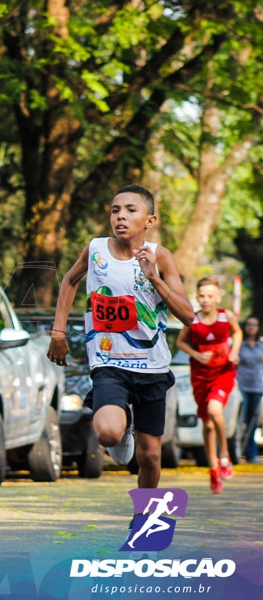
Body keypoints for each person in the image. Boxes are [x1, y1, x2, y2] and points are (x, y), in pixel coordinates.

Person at [47, 184, 193, 490]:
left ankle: (142, 520)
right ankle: (122, 429)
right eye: (115, 210)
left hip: (152, 367)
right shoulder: (96, 249)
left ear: (150, 221)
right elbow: (70, 280)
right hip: (109, 362)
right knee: (109, 434)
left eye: (130, 210)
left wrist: (154, 277)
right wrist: (58, 332)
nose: (120, 217)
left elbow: (188, 315)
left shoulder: (161, 257)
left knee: (150, 456)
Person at [176, 277, 243, 492]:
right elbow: (180, 342)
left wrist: (233, 352)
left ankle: (225, 455)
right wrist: (197, 354)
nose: (205, 300)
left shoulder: (226, 316)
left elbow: (238, 332)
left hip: (222, 372)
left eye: (210, 296)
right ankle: (213, 466)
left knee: (215, 410)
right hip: (200, 374)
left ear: (218, 298)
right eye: (202, 296)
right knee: (208, 422)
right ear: (197, 297)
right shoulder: (192, 320)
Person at [236, 316, 262, 463]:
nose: (251, 327)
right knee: (241, 420)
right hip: (241, 387)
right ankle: (237, 452)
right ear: (245, 327)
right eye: (249, 324)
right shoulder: (239, 344)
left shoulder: (261, 345)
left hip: (257, 387)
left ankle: (251, 454)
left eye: (255, 324)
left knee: (253, 422)